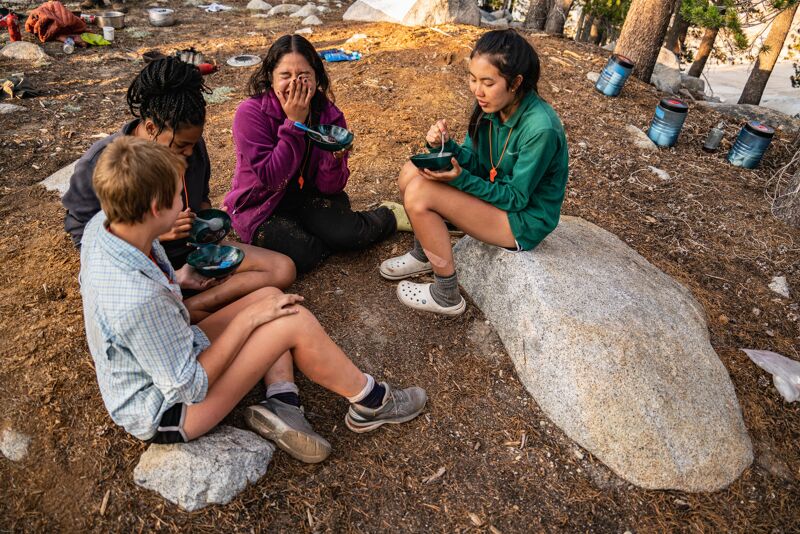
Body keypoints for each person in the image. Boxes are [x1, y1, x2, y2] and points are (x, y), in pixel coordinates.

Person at [80, 136, 427, 463]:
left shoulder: (107, 223)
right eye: (175, 197)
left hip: (169, 351)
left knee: (270, 296)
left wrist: (181, 279)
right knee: (291, 319)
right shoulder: (139, 300)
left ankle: (282, 401)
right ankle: (371, 402)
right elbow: (188, 385)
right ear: (156, 208)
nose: (183, 203)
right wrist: (249, 320)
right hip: (168, 410)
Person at [63, 57, 295, 322]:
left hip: (192, 256)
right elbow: (86, 238)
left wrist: (205, 223)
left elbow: (200, 200)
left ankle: (193, 306)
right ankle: (187, 306)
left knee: (282, 269)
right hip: (145, 265)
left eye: (192, 145)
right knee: (266, 293)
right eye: (180, 146)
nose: (188, 154)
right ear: (151, 127)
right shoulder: (104, 163)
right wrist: (156, 234)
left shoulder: (192, 149)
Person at [379, 29, 569, 316]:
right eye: (473, 79)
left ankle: (446, 294)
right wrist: (444, 147)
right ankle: (425, 255)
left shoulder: (540, 128)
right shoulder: (493, 106)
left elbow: (516, 198)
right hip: (499, 200)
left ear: (516, 82)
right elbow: (480, 163)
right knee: (411, 172)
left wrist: (460, 179)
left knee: (420, 192)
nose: (477, 90)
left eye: (487, 82)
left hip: (523, 220)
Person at [224, 34, 409, 274]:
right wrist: (293, 123)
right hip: (263, 205)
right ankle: (325, 234)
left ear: (316, 77)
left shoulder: (328, 115)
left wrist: (335, 159)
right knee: (303, 255)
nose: (295, 84)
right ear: (270, 78)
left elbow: (331, 188)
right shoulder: (250, 114)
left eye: (303, 76)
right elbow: (271, 178)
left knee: (350, 234)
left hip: (309, 197)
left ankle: (389, 215)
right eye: (285, 76)